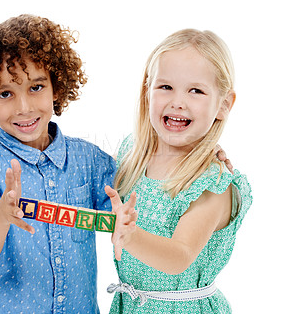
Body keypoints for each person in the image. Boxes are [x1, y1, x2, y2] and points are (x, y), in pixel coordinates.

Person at [0, 14, 116, 313]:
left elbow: (133, 206)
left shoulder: (90, 160)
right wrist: (0, 216)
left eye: (36, 88)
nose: (24, 107)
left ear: (56, 87)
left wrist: (200, 150)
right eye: (5, 93)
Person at [105, 29, 252, 313]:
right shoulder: (132, 154)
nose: (178, 102)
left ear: (223, 104)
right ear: (147, 91)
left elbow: (180, 256)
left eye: (196, 90)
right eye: (165, 87)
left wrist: (130, 235)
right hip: (132, 305)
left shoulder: (212, 184)